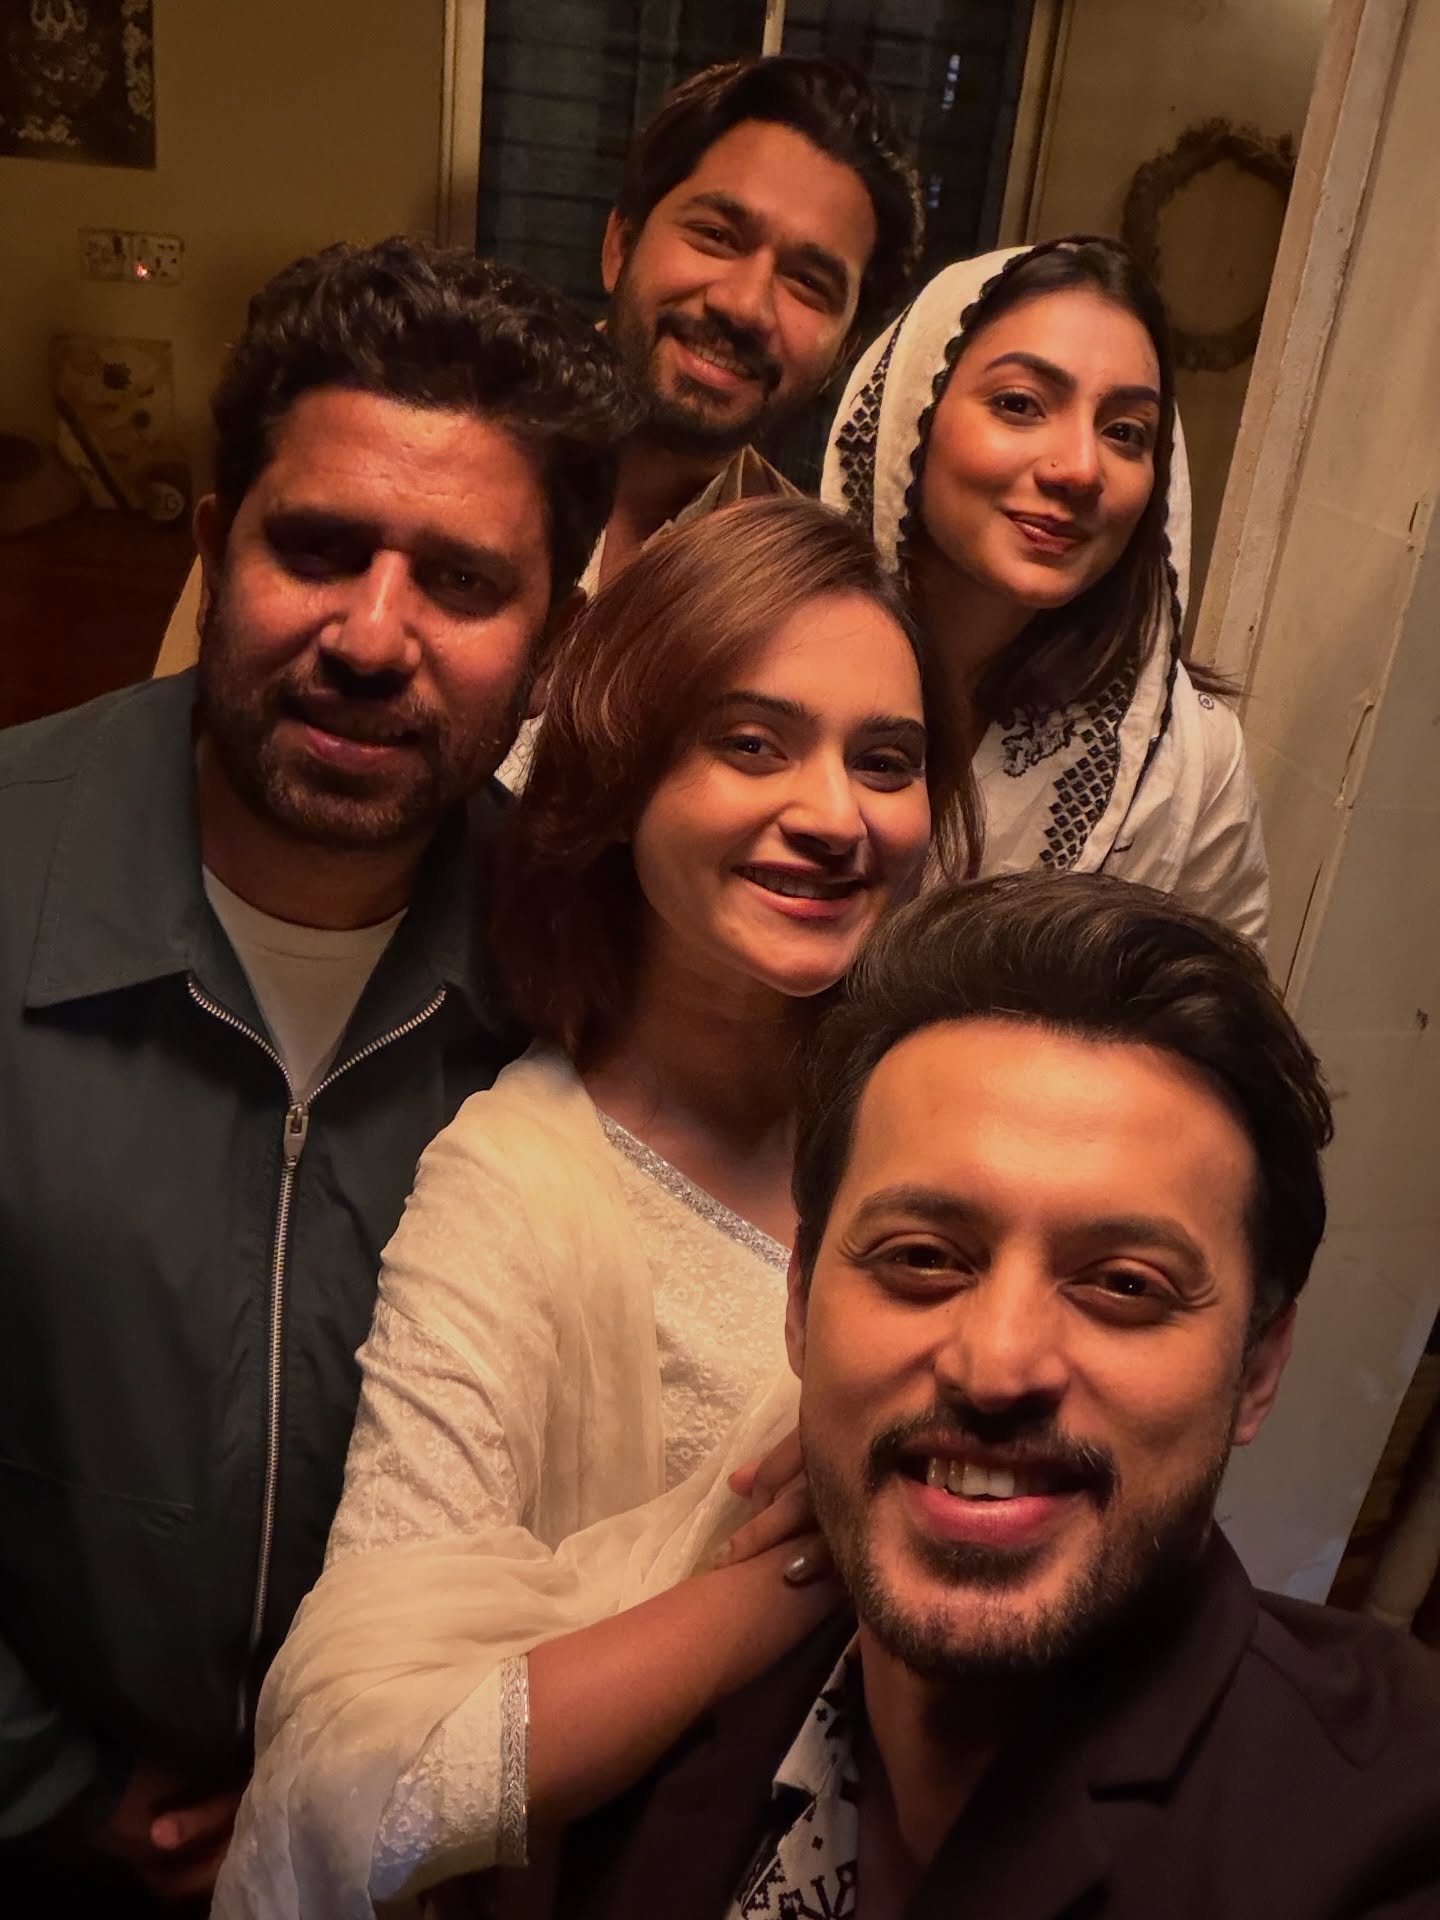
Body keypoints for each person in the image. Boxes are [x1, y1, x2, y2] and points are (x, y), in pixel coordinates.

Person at [209, 496, 975, 1917]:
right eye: (752, 744)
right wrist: (822, 1555)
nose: (834, 816)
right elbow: (364, 1780)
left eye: (886, 761)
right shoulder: (519, 1185)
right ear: (621, 783)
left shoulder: (947, 1129)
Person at [0, 238, 634, 1911]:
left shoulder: (588, 975)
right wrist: (55, 1783)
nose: (371, 634)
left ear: (554, 639)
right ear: (216, 549)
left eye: (462, 583)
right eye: (318, 549)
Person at [553, 872, 1440, 1920]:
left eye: (1124, 1285)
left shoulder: (1389, 1827)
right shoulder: (671, 1737)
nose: (997, 1365)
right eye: (922, 1258)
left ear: (1255, 1370)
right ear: (800, 1309)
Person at [152, 55, 923, 685]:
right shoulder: (380, 445)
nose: (745, 304)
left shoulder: (795, 589)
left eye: (809, 283)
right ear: (620, 245)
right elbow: (192, 733)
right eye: (716, 235)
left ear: (844, 348)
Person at [823, 237, 1270, 945]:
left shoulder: (1191, 761)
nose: (1081, 468)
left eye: (1125, 432)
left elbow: (1218, 1006)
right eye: (1019, 404)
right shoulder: (758, 657)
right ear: (912, 416)